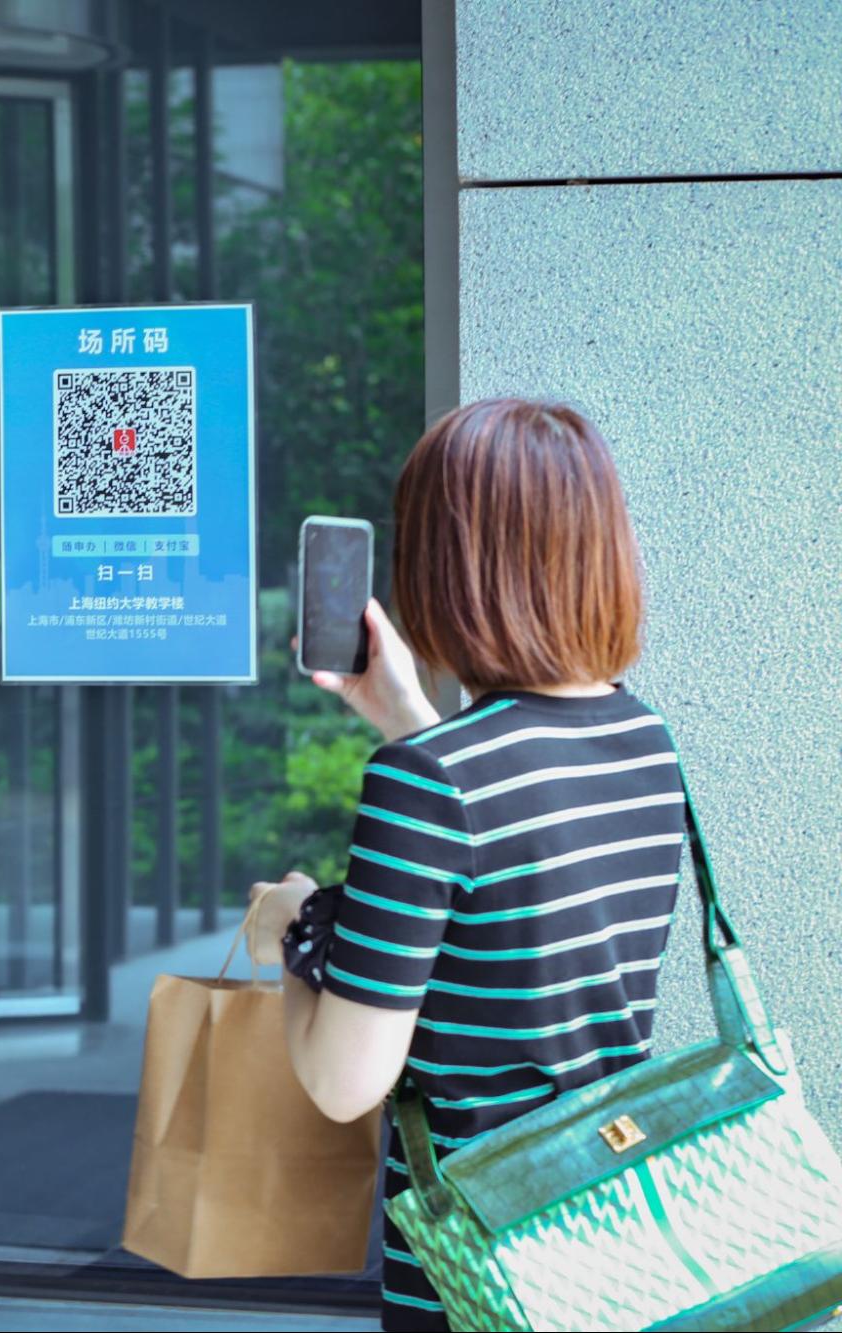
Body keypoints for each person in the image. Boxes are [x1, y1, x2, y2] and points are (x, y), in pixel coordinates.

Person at [243, 398, 685, 1332]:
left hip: (476, 1273)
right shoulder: (645, 741)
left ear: (447, 572)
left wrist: (287, 926)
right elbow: (521, 873)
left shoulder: (427, 784)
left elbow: (341, 1081)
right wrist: (406, 712)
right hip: (607, 1245)